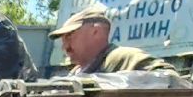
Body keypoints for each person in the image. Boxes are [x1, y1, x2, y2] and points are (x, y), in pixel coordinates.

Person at [50, 4, 178, 75]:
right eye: (63, 39)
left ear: (96, 31)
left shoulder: (123, 58)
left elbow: (170, 78)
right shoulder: (75, 73)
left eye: (70, 36)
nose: (64, 46)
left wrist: (119, 85)